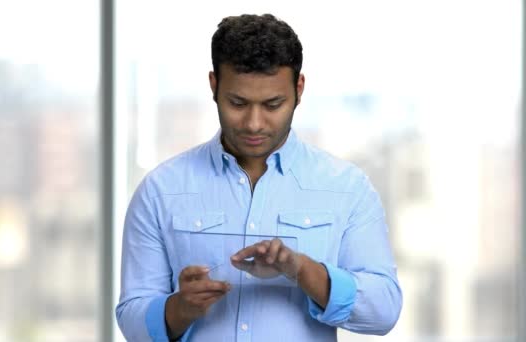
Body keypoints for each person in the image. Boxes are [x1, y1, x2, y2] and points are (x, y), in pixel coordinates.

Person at [116, 13, 402, 342]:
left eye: (272, 104)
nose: (254, 123)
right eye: (237, 103)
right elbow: (131, 318)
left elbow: (384, 310)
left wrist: (302, 271)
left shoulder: (347, 188)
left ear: (299, 89)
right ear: (214, 86)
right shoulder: (160, 191)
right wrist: (180, 308)